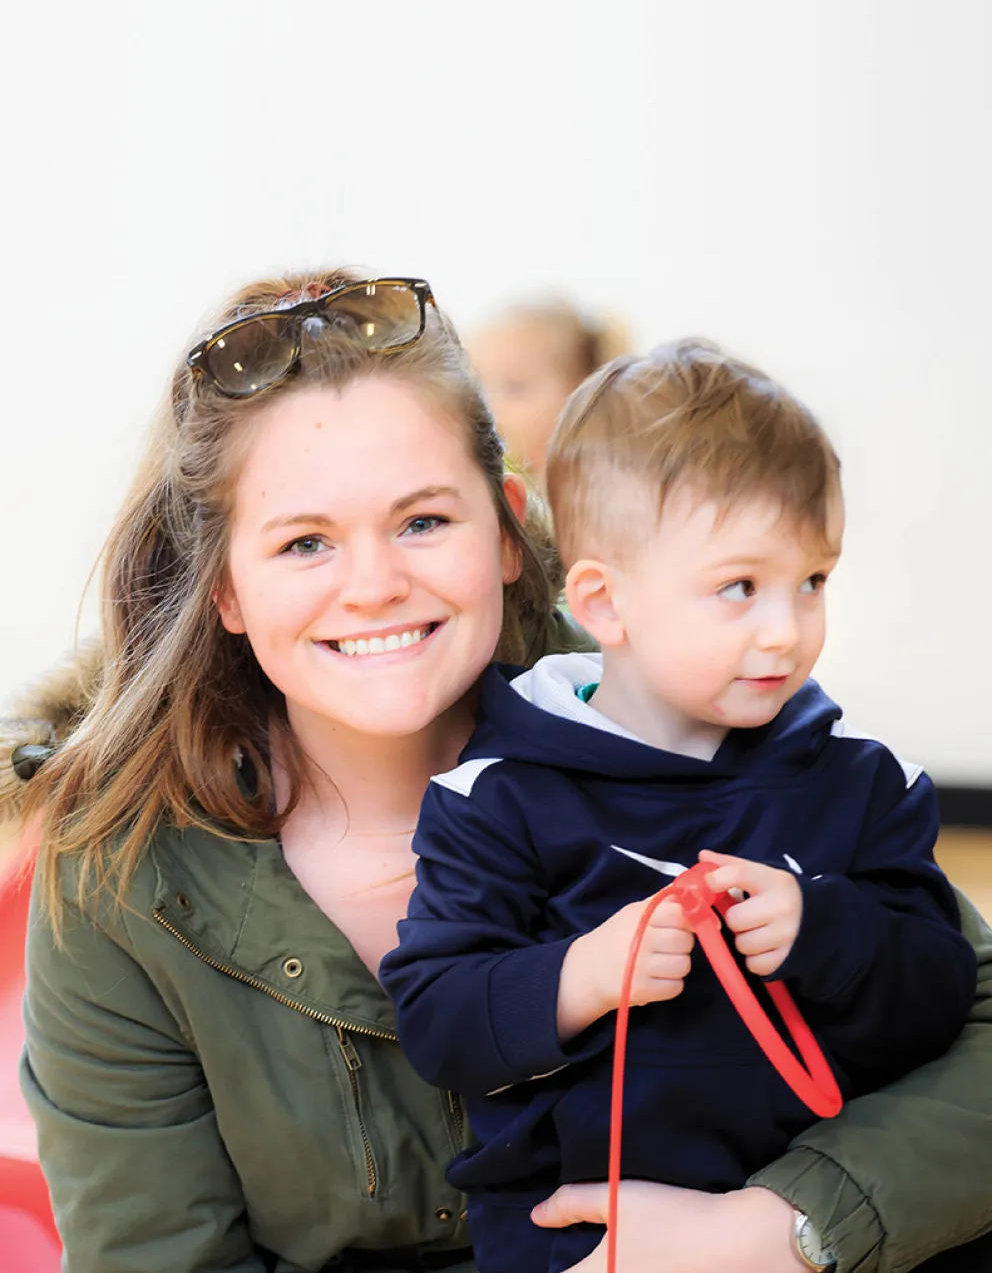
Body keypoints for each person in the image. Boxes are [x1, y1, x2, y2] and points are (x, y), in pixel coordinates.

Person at [0, 273, 989, 1273]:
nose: (376, 583)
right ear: (226, 591)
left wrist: (775, 1229)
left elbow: (968, 1024)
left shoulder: (686, 718)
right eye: (305, 542)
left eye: (423, 521)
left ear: (508, 530)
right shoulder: (117, 874)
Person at [379, 341, 978, 1273]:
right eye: (739, 587)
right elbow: (438, 1018)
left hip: (820, 1238)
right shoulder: (495, 795)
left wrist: (829, 931)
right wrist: (584, 972)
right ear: (605, 604)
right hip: (579, 1241)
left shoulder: (864, 785)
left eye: (812, 581)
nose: (787, 628)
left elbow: (941, 998)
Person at [470, 300, 628, 485]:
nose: (489, 405)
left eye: (514, 387)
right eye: (479, 386)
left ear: (583, 395)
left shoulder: (595, 492)